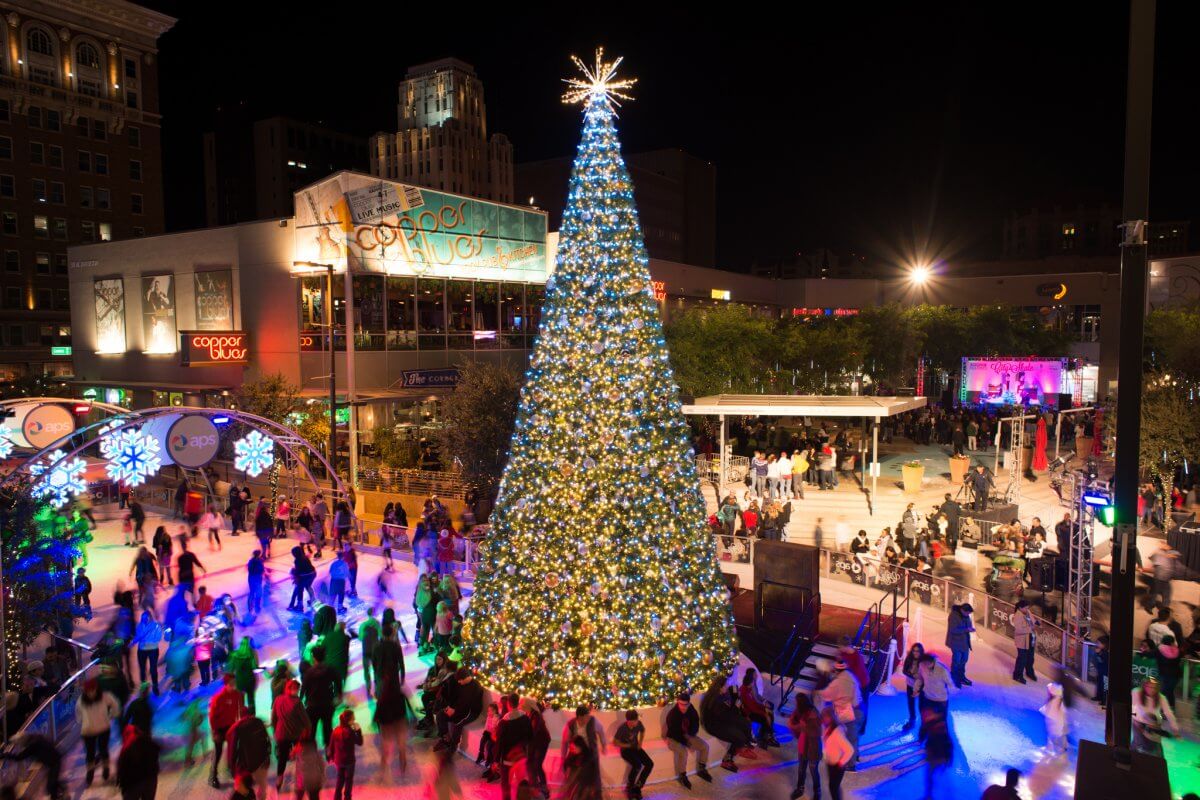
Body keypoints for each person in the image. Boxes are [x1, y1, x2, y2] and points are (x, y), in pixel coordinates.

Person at [699, 676, 753, 773]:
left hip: (721, 720)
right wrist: (736, 706)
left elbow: (727, 712)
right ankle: (727, 760)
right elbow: (728, 716)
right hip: (714, 725)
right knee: (739, 737)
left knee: (745, 722)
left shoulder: (721, 695)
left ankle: (745, 745)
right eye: (725, 685)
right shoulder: (716, 701)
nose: (727, 686)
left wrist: (735, 697)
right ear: (720, 687)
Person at [75, 677, 120, 786]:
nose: (91, 693)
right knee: (92, 753)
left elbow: (115, 704)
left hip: (100, 729)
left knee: (101, 750)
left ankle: (104, 769)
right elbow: (78, 714)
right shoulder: (82, 700)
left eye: (92, 690)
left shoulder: (104, 696)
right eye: (88, 691)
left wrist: (112, 715)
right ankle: (92, 771)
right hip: (90, 730)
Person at [819, 659, 863, 767]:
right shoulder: (851, 677)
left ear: (836, 671)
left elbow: (826, 695)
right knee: (854, 736)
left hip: (848, 713)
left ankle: (851, 765)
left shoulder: (837, 683)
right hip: (860, 710)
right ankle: (856, 756)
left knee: (849, 738)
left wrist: (817, 692)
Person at [665, 691, 711, 789]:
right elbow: (674, 733)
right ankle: (682, 775)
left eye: (685, 705)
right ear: (678, 702)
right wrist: (687, 743)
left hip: (687, 735)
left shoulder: (691, 709)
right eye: (680, 704)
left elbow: (695, 723)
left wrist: (691, 734)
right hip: (673, 738)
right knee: (683, 752)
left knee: (705, 746)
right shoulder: (672, 715)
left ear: (689, 703)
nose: (683, 707)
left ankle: (702, 768)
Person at [270, 679, 310, 791]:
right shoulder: (297, 702)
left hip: (281, 734)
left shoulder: (278, 700)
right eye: (295, 689)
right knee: (300, 756)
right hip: (295, 734)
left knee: (282, 758)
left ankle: (279, 779)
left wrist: (275, 730)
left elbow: (274, 718)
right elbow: (306, 720)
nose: (296, 691)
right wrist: (307, 730)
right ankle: (300, 779)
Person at [209, 672, 246, 788]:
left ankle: (232, 770)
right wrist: (215, 731)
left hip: (231, 726)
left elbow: (241, 710)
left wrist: (242, 723)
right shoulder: (218, 697)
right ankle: (213, 775)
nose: (233, 686)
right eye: (231, 684)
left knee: (233, 750)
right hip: (219, 728)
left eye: (234, 683)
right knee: (218, 752)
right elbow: (212, 716)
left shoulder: (238, 695)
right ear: (225, 684)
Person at [436, 666, 483, 753]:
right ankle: (445, 738)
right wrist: (450, 707)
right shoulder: (462, 684)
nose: (458, 682)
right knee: (440, 715)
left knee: (458, 723)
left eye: (460, 680)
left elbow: (467, 704)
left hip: (471, 712)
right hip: (459, 709)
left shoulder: (476, 686)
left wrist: (455, 710)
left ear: (465, 678)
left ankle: (453, 745)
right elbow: (457, 698)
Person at [374, 673, 411, 782]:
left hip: (387, 725)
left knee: (386, 751)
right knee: (402, 748)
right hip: (399, 723)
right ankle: (403, 770)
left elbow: (378, 713)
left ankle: (382, 772)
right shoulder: (401, 695)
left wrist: (377, 723)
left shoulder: (383, 697)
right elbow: (406, 709)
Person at [228, 710, 272, 800]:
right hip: (261, 763)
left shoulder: (238, 727)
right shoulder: (259, 722)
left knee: (243, 791)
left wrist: (233, 770)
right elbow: (267, 741)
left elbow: (233, 749)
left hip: (246, 766)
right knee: (262, 788)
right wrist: (267, 758)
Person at [495, 692, 531, 800]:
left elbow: (500, 742)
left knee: (506, 784)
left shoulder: (504, 722)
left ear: (508, 704)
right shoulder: (525, 718)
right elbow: (530, 737)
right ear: (518, 702)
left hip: (507, 760)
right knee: (521, 783)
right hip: (521, 758)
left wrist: (496, 760)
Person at [300, 645, 338, 747]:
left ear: (313, 657)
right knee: (327, 728)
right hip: (327, 704)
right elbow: (338, 682)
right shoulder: (330, 669)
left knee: (312, 729)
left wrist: (300, 701)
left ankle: (313, 752)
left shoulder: (309, 672)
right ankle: (329, 751)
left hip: (313, 705)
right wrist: (339, 696)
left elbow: (303, 689)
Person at [787, 692, 822, 800]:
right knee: (801, 769)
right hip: (803, 746)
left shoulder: (814, 715)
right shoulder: (801, 711)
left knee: (813, 770)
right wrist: (796, 725)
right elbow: (793, 722)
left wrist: (801, 727)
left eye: (797, 703)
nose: (795, 704)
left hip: (813, 749)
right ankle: (800, 788)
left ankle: (817, 791)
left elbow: (816, 733)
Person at [612, 709, 652, 800]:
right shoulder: (622, 728)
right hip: (625, 750)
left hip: (635, 747)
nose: (637, 722)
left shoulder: (639, 724)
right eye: (635, 720)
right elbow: (615, 742)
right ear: (629, 721)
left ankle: (637, 788)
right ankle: (629, 788)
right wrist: (628, 745)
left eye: (637, 719)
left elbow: (642, 731)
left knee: (649, 764)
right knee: (637, 765)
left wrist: (640, 742)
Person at [1132, 678, 1177, 755]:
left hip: (1154, 725)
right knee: (1139, 743)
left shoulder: (1161, 697)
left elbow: (1168, 713)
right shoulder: (1136, 692)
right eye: (1148, 687)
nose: (1151, 689)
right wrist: (1136, 720)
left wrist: (1175, 728)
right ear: (1144, 686)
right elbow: (1131, 707)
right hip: (1139, 724)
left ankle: (1157, 763)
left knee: (1155, 746)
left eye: (1154, 687)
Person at [116, 723, 160, 800]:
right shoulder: (148, 743)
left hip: (133, 785)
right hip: (150, 779)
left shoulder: (126, 750)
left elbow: (122, 771)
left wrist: (122, 786)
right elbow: (156, 751)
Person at [919, 704, 953, 798]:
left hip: (936, 754)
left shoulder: (935, 726)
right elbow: (949, 743)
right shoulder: (938, 724)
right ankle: (929, 794)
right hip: (937, 753)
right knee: (930, 773)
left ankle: (929, 794)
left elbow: (948, 742)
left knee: (930, 774)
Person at [821, 706, 855, 800]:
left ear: (831, 717)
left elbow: (850, 750)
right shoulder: (828, 728)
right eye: (823, 717)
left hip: (837, 765)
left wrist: (840, 763)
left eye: (825, 717)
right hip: (830, 762)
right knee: (833, 786)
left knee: (833, 788)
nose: (823, 719)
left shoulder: (837, 733)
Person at [739, 668, 778, 746]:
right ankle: (766, 736)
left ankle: (767, 734)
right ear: (750, 683)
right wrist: (764, 712)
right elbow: (752, 707)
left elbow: (754, 703)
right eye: (752, 683)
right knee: (765, 717)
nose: (756, 676)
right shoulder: (744, 692)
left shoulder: (748, 688)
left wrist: (764, 709)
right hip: (749, 713)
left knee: (769, 713)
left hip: (753, 709)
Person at [329, 709, 362, 800]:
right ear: (349, 719)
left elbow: (331, 745)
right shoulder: (350, 732)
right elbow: (359, 742)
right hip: (349, 761)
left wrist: (331, 756)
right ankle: (347, 798)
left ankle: (337, 797)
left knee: (340, 780)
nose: (354, 719)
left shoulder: (336, 730)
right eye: (353, 718)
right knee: (348, 781)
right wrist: (358, 730)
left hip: (339, 760)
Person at [560, 735, 602, 800]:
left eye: (573, 748)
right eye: (570, 748)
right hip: (578, 783)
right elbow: (567, 763)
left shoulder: (589, 756)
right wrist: (568, 768)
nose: (571, 749)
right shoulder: (573, 754)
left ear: (579, 746)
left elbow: (592, 774)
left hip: (585, 784)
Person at [228, 637, 260, 715]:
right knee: (251, 700)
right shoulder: (252, 653)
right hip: (250, 680)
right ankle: (252, 717)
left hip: (239, 681)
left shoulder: (234, 654)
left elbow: (231, 669)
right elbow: (255, 666)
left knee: (240, 701)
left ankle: (242, 718)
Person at [946, 603, 975, 687]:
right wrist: (966, 629)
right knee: (956, 662)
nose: (968, 615)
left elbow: (968, 625)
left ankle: (961, 677)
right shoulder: (953, 616)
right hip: (956, 643)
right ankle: (954, 678)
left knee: (964, 660)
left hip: (965, 643)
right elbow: (953, 630)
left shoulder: (966, 616)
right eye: (967, 613)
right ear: (962, 610)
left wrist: (969, 628)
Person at [133, 611, 162, 694]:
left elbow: (158, 637)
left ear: (150, 617)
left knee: (153, 669)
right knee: (142, 669)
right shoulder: (139, 625)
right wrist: (134, 641)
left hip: (153, 650)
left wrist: (146, 641)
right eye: (143, 617)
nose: (144, 619)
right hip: (142, 650)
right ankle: (144, 686)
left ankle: (155, 686)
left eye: (146, 617)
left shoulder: (156, 626)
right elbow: (137, 636)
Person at [1012, 600, 1039, 684]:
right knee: (1022, 659)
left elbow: (1032, 620)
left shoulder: (1027, 612)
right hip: (1022, 642)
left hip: (1031, 639)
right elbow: (1018, 630)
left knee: (1030, 658)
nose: (1027, 609)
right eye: (1026, 608)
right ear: (1020, 608)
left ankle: (1029, 672)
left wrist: (1036, 623)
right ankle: (1017, 675)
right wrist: (1031, 629)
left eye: (1028, 608)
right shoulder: (1017, 616)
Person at [357, 607, 382, 699]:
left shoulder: (363, 625)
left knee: (366, 671)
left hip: (366, 650)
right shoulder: (377, 624)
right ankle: (377, 691)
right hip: (375, 651)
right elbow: (381, 635)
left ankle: (368, 691)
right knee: (376, 671)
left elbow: (360, 638)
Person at [291, 736, 325, 800]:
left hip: (304, 781)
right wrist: (322, 778)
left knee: (300, 796)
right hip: (314, 781)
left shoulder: (300, 755)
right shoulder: (316, 755)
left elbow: (299, 770)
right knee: (314, 797)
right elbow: (322, 766)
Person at [1040, 682, 1068, 755]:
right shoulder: (1057, 701)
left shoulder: (1055, 702)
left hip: (1055, 725)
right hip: (1055, 725)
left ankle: (1056, 750)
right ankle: (1055, 749)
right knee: (1056, 736)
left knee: (1054, 737)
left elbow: (1049, 713)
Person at [902, 642, 925, 730]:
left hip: (921, 686)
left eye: (918, 651)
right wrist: (913, 676)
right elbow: (904, 671)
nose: (916, 653)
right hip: (910, 685)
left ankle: (925, 723)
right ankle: (912, 720)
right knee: (910, 703)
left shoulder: (924, 661)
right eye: (914, 651)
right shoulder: (909, 659)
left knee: (922, 705)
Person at [288, 547, 317, 611]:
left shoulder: (297, 560)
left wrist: (296, 579)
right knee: (308, 586)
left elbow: (298, 571)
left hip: (305, 576)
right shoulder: (305, 557)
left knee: (300, 589)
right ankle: (313, 601)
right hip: (312, 574)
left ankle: (299, 606)